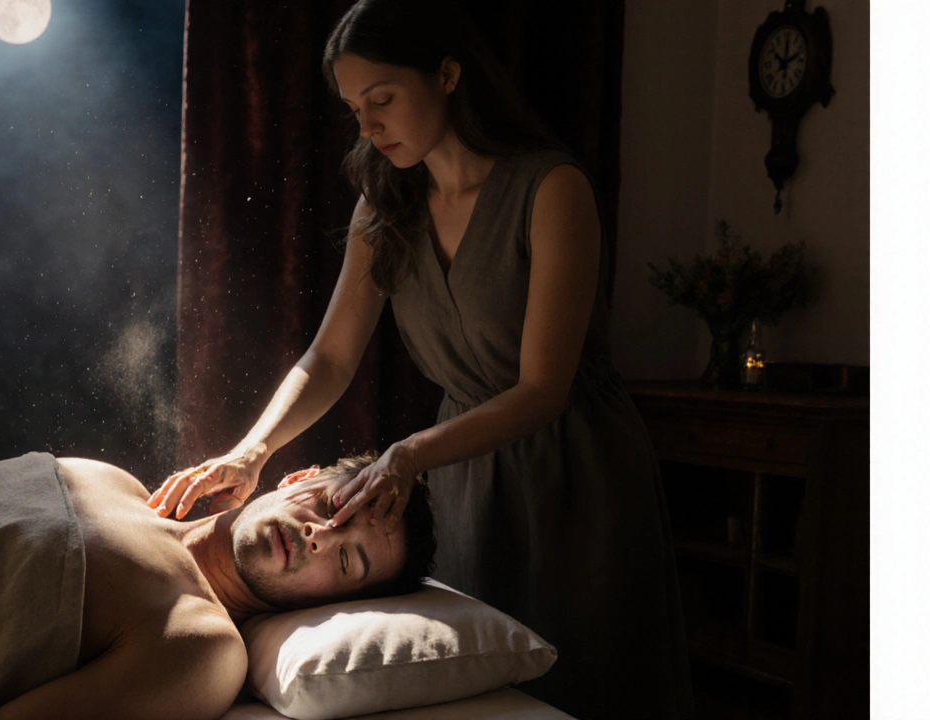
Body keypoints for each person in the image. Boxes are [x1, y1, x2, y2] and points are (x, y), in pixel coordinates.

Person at [150, 0, 695, 717]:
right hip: (458, 473)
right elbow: (330, 357)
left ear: (447, 74)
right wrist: (251, 453)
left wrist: (408, 454)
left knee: (588, 675)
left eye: (382, 99)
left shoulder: (550, 189)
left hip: (571, 465)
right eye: (354, 109)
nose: (369, 126)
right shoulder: (384, 207)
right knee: (474, 674)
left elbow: (542, 388)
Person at [0, 451, 436, 720]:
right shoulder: (105, 478)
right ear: (299, 478)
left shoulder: (201, 646)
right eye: (331, 512)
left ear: (330, 604)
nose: (317, 538)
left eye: (344, 562)